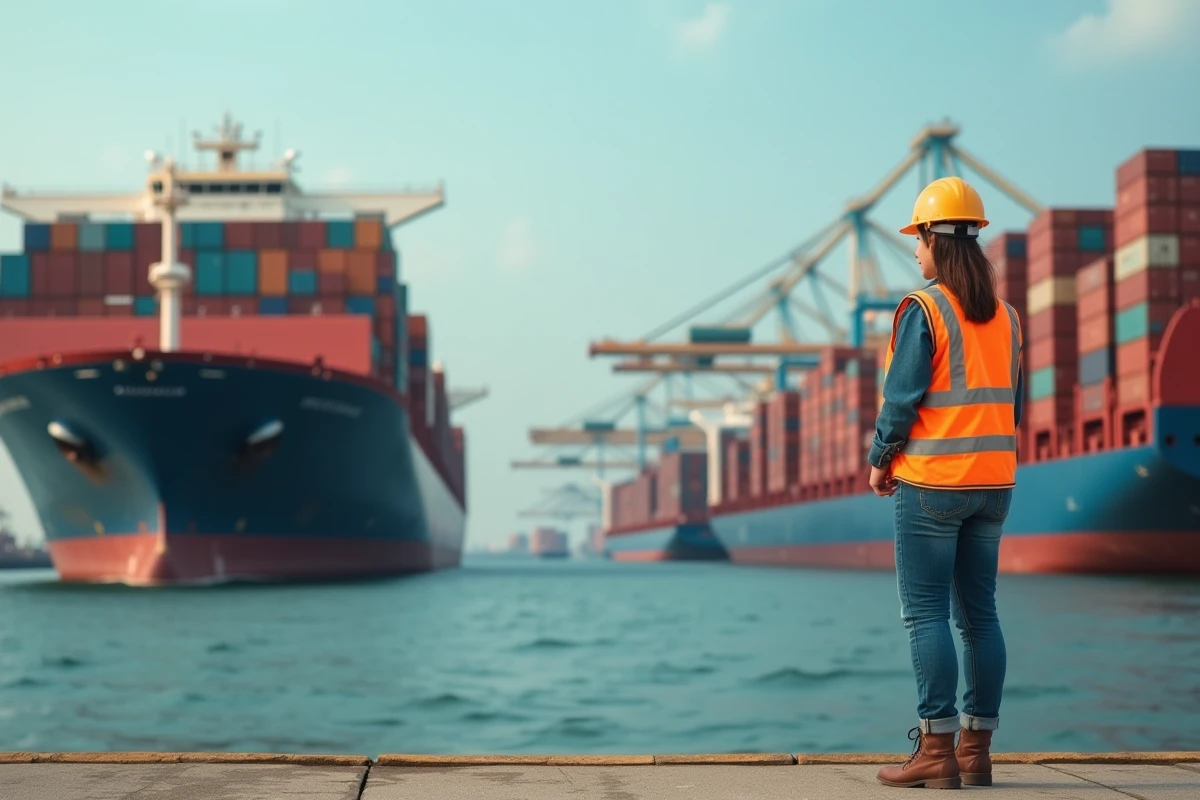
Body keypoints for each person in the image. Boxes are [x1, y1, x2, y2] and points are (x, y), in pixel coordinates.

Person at [866, 176, 1023, 790]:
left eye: (917, 239)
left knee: (925, 613)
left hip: (932, 483)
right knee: (980, 616)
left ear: (934, 237)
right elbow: (1011, 407)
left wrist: (882, 459)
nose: (915, 252)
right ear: (975, 237)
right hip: (995, 483)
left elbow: (901, 398)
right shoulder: (1008, 317)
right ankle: (976, 750)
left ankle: (935, 749)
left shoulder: (923, 308)